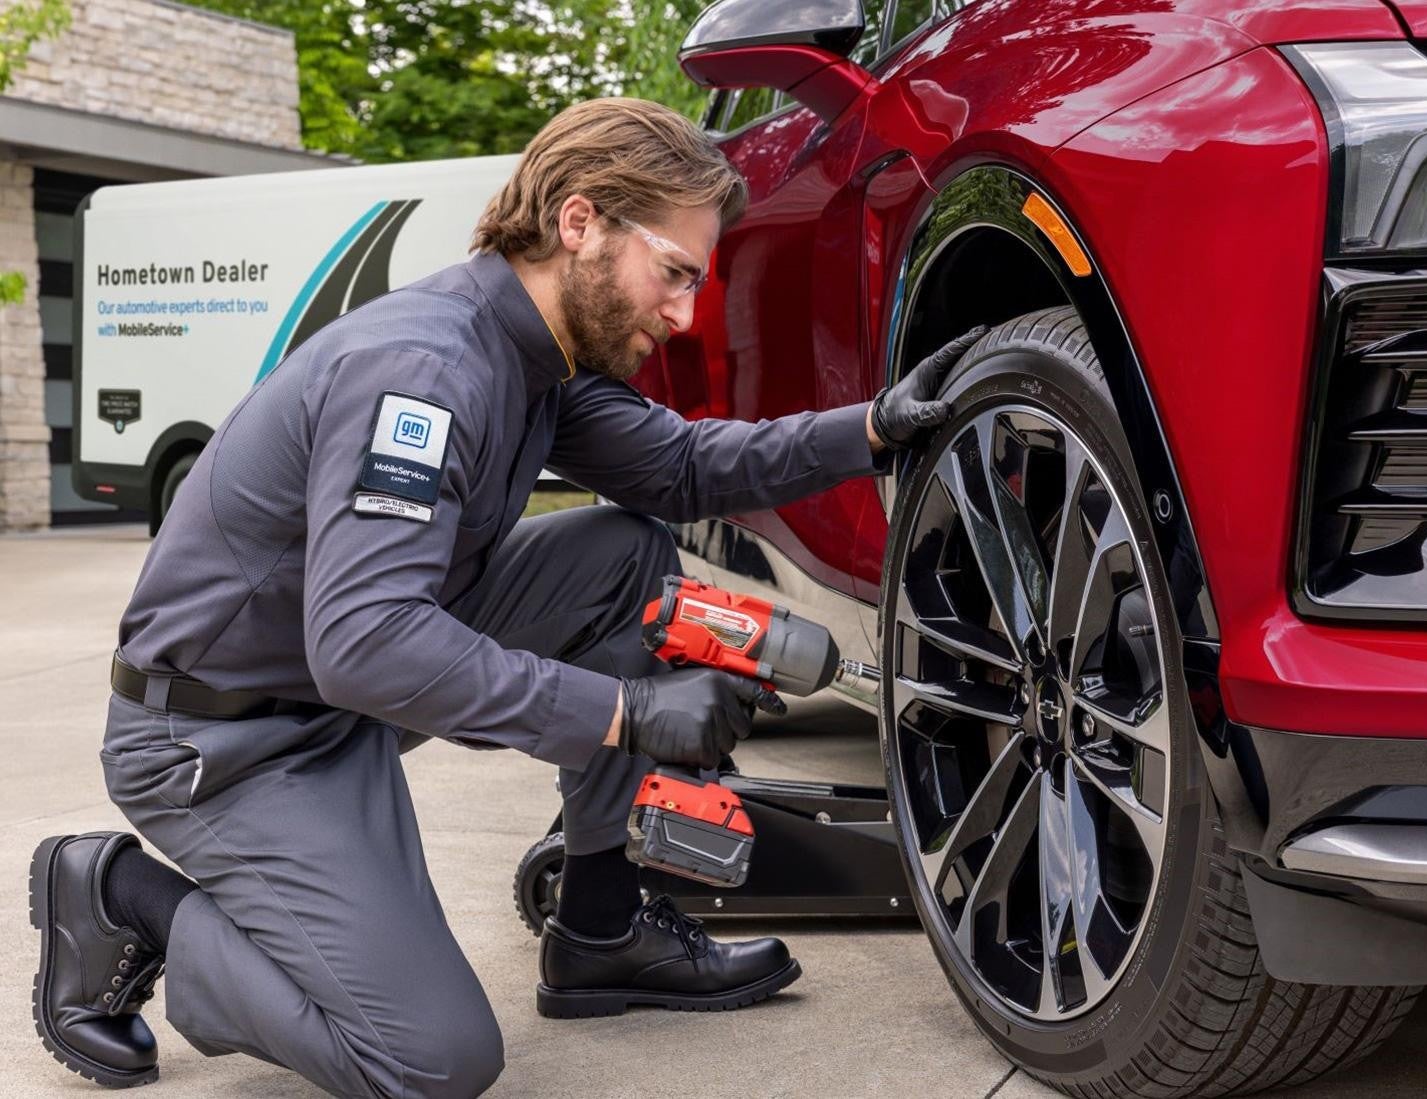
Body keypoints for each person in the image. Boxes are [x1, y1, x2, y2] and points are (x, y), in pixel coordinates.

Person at [29, 97, 983, 1097]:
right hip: (223, 742)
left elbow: (680, 467)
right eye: (675, 272)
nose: (684, 314)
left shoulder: (537, 360)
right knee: (430, 1058)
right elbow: (367, 641)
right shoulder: (426, 371)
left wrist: (871, 428)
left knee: (621, 552)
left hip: (330, 690)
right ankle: (125, 897)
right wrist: (628, 710)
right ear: (580, 222)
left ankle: (601, 929)